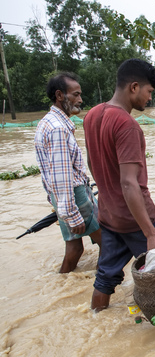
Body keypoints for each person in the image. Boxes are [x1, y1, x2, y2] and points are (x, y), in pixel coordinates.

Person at [83, 59, 155, 312]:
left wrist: (109, 197)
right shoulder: (127, 125)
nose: (149, 99)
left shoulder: (91, 116)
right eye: (149, 92)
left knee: (104, 280)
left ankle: (97, 320)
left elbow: (92, 162)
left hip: (108, 216)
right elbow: (129, 183)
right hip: (137, 220)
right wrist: (151, 233)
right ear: (134, 87)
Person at [34, 73, 102, 273]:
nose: (80, 100)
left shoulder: (48, 122)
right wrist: (71, 213)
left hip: (64, 197)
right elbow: (62, 176)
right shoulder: (58, 129)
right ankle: (102, 288)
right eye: (76, 94)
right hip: (74, 195)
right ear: (60, 95)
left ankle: (64, 283)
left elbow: (51, 173)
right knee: (108, 242)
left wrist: (57, 203)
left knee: (74, 247)